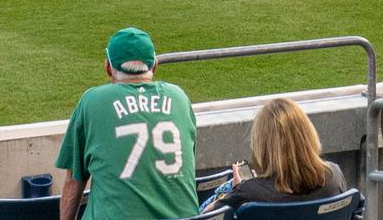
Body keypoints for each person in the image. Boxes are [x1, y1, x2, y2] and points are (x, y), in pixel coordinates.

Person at [56, 28, 197, 220]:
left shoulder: (93, 101)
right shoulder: (179, 97)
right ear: (154, 66)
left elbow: (74, 180)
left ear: (108, 68)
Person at [204, 99, 345, 208]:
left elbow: (204, 215)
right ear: (308, 137)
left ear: (262, 148)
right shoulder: (333, 177)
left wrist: (234, 192)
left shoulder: (249, 193)